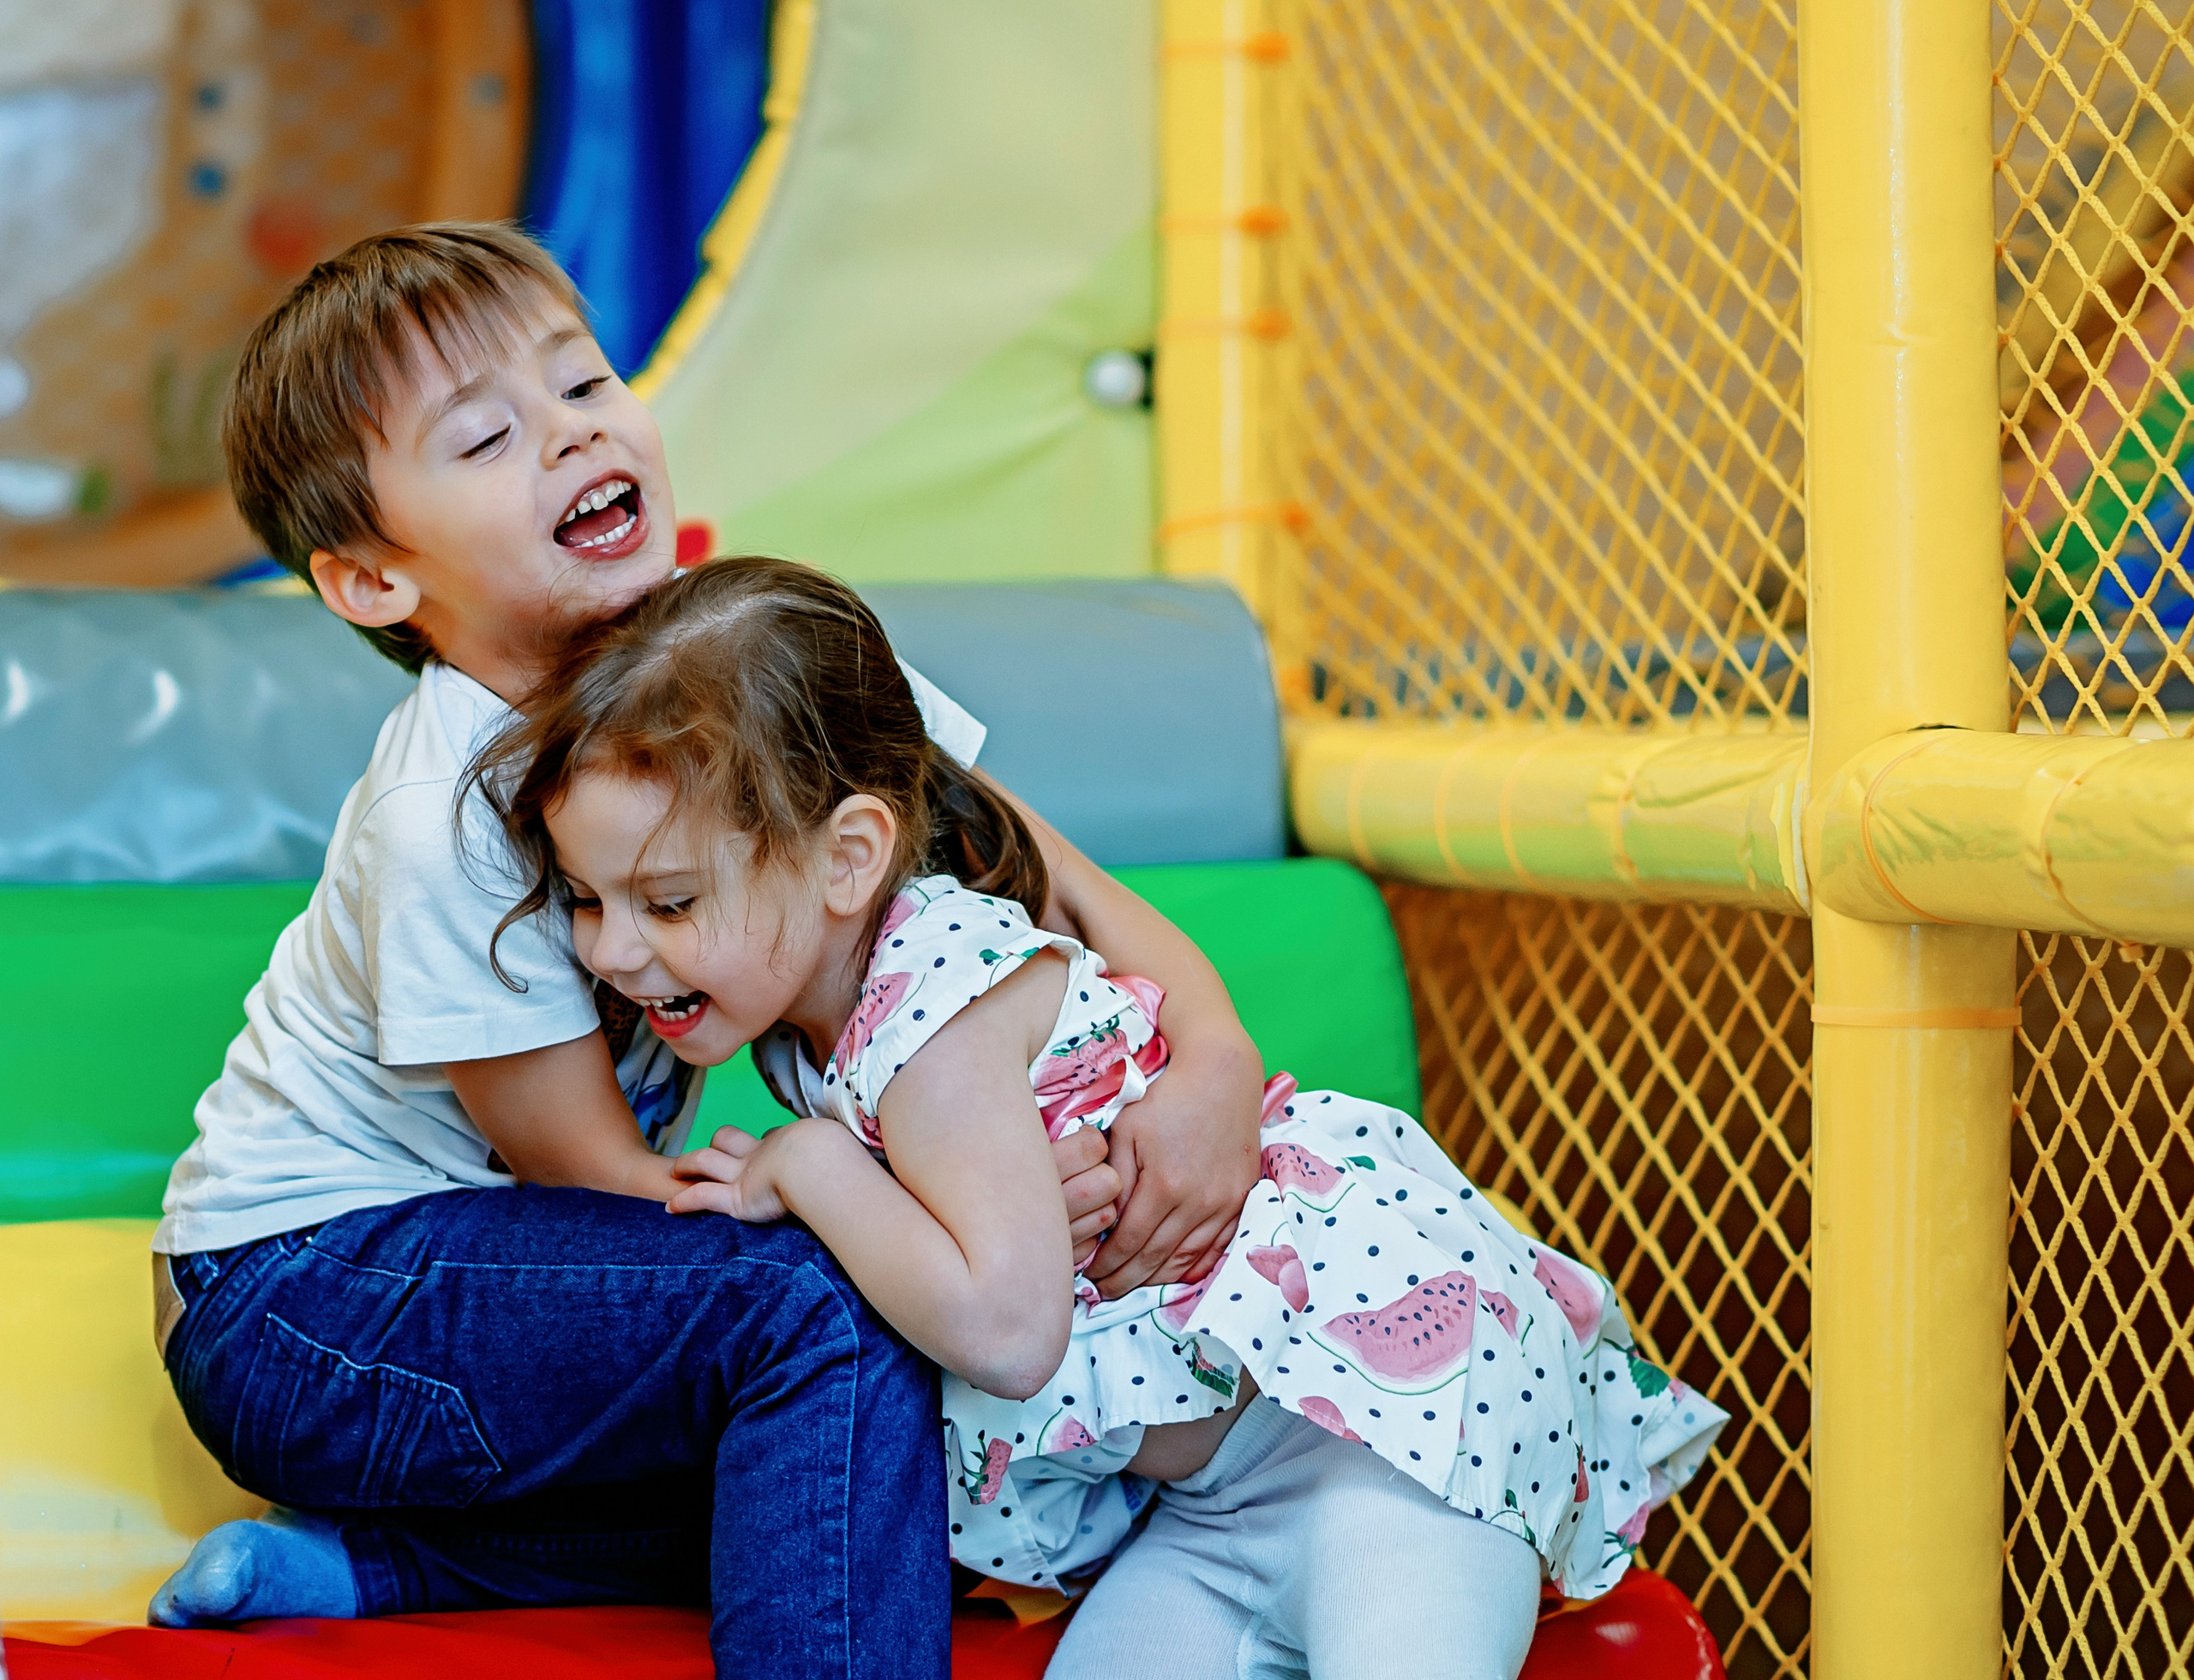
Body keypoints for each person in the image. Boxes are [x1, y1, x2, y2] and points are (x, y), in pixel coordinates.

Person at [148, 224, 1267, 1678]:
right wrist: (915, 1210)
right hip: (308, 1307)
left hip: (480, 1306)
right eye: (486, 437)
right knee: (831, 1314)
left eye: (585, 381)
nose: (570, 437)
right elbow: (603, 1178)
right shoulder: (446, 813)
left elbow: (1046, 876)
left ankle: (387, 1568)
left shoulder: (741, 658)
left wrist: (1218, 1064)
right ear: (372, 581)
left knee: (902, 1442)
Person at [483, 558, 1732, 1680]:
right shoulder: (820, 1016)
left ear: (849, 855)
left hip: (1385, 1433)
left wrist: (813, 1167)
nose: (615, 951)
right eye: (588, 902)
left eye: (668, 901)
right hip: (1212, 1511)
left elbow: (1012, 1330)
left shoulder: (931, 1007)